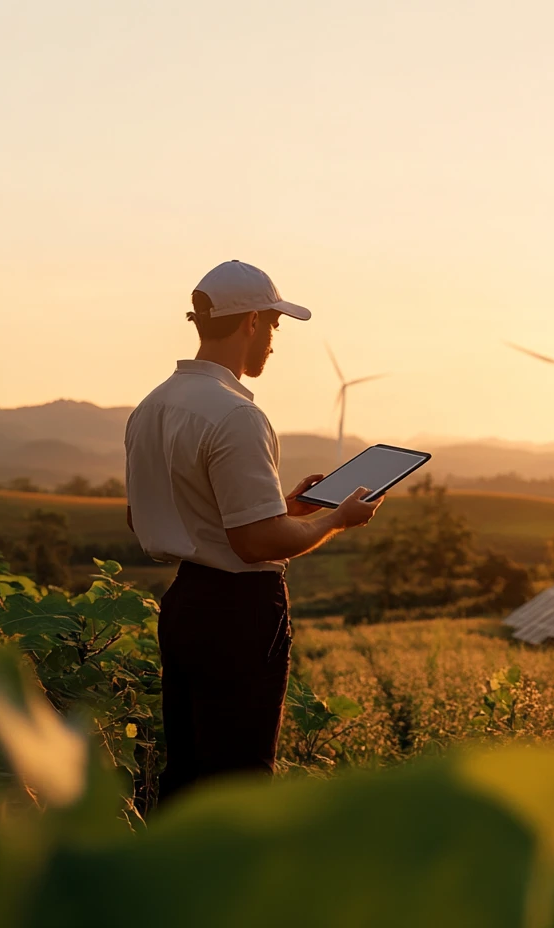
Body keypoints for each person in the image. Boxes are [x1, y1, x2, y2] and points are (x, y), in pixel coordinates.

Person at [124, 260, 381, 805]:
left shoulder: (151, 406)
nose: (273, 341)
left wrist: (284, 507)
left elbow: (158, 514)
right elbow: (256, 544)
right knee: (238, 783)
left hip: (185, 605)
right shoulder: (236, 414)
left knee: (187, 775)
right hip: (239, 614)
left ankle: (170, 882)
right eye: (275, 327)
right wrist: (336, 517)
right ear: (250, 324)